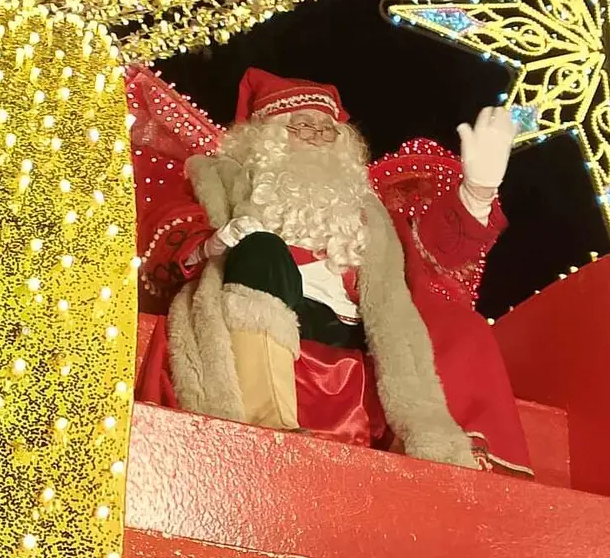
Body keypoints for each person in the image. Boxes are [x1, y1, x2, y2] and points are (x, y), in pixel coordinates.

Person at [133, 66, 532, 476]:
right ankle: (263, 422)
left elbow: (433, 251)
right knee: (263, 249)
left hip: (354, 324)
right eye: (301, 126)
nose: (316, 138)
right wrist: (211, 244)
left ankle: (440, 455)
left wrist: (477, 192)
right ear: (265, 137)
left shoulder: (368, 210)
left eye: (327, 131)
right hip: (264, 301)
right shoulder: (217, 179)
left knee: (460, 327)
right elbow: (169, 228)